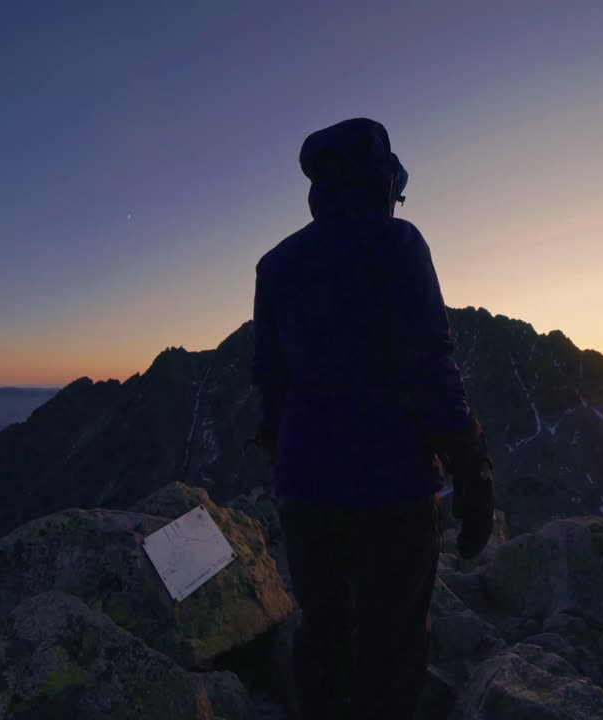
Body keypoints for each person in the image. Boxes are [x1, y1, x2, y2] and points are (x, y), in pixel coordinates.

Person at [250, 118, 494, 720]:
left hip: (307, 490)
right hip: (393, 492)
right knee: (393, 644)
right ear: (382, 182)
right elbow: (431, 368)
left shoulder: (276, 266)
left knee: (324, 631)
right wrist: (471, 472)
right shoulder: (399, 244)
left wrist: (285, 461)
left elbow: (270, 386)